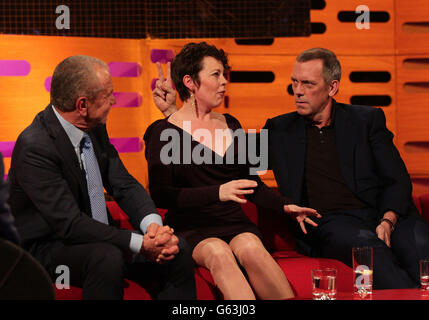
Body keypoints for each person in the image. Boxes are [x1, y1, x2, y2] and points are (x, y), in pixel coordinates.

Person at [153, 46, 429, 290]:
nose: (298, 91)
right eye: (295, 82)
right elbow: (221, 160)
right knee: (368, 249)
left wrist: (388, 220)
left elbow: (398, 179)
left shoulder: (367, 120)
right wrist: (174, 114)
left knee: (420, 246)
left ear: (332, 88)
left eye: (307, 84)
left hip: (387, 215)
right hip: (333, 221)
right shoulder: (280, 129)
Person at [8, 55, 196, 300]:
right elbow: (69, 224)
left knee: (176, 249)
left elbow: (124, 184)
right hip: (49, 247)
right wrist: (141, 244)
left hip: (98, 236)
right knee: (106, 257)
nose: (114, 100)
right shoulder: (35, 146)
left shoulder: (94, 127)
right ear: (82, 105)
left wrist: (153, 228)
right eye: (108, 95)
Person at [145, 42, 320, 300]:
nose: (224, 82)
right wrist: (218, 192)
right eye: (216, 75)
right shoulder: (162, 132)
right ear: (190, 82)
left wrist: (285, 206)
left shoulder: (233, 123)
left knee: (251, 247)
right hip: (191, 226)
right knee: (218, 252)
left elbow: (252, 183)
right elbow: (161, 195)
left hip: (234, 222)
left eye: (224, 74)